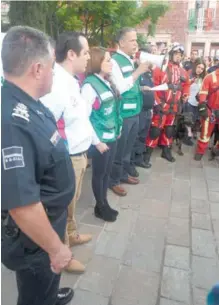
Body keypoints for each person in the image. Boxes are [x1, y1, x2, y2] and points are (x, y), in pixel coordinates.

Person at [1, 26, 75, 305]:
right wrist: (56, 249)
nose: (54, 73)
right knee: (36, 293)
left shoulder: (28, 102)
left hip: (49, 222)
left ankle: (50, 295)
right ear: (37, 69)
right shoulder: (10, 121)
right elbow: (22, 205)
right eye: (52, 67)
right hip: (35, 238)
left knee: (45, 286)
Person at [41, 32, 108, 273]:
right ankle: (62, 253)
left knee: (72, 203)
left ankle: (72, 233)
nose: (90, 56)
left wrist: (95, 140)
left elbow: (80, 117)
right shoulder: (57, 84)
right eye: (86, 52)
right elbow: (49, 126)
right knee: (62, 207)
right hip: (67, 157)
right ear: (71, 54)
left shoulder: (72, 80)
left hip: (79, 154)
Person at [81, 47, 122, 221]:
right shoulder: (90, 85)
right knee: (99, 174)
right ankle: (100, 206)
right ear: (97, 62)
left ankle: (104, 202)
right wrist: (96, 141)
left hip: (111, 136)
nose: (111, 63)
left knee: (106, 172)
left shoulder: (105, 80)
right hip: (100, 140)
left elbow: (112, 109)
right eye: (107, 60)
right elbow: (84, 117)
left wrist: (118, 130)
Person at [108, 27, 149, 197]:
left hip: (134, 111)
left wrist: (141, 86)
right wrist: (138, 72)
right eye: (132, 40)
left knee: (128, 148)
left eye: (136, 40)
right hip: (123, 114)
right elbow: (118, 87)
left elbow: (130, 83)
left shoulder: (130, 60)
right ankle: (113, 180)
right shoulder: (115, 61)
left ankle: (123, 174)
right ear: (122, 42)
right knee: (119, 149)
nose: (136, 44)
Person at [144, 43, 190, 164]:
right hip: (162, 105)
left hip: (174, 106)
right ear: (171, 54)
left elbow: (186, 85)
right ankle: (147, 152)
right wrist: (157, 103)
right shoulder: (161, 69)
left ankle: (166, 150)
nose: (178, 57)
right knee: (155, 130)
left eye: (180, 55)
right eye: (176, 54)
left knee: (170, 129)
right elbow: (153, 87)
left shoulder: (183, 71)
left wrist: (185, 95)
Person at [131, 47, 155, 168]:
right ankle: (131, 162)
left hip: (147, 110)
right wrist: (141, 88)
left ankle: (138, 159)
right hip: (139, 110)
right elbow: (130, 88)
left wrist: (151, 109)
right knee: (135, 136)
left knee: (142, 136)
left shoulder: (148, 73)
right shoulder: (135, 72)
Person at [194, 65, 219, 160]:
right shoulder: (210, 77)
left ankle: (216, 149)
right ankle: (200, 151)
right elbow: (203, 93)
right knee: (205, 132)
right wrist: (203, 108)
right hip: (210, 110)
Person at [183, 58, 206, 143]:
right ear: (195, 66)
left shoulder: (204, 78)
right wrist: (192, 82)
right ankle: (187, 136)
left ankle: (190, 134)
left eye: (202, 68)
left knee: (194, 120)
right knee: (188, 120)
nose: (199, 70)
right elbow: (184, 86)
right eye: (198, 67)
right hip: (188, 102)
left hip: (197, 104)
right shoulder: (189, 74)